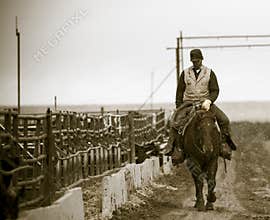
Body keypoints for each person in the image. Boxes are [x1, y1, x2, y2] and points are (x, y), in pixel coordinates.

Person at [164, 48, 236, 161]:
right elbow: (179, 92)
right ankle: (176, 149)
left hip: (205, 103)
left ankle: (223, 145)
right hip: (188, 104)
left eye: (197, 60)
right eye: (193, 61)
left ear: (201, 60)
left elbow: (215, 90)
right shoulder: (185, 73)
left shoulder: (209, 73)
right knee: (174, 122)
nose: (195, 63)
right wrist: (179, 108)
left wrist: (209, 100)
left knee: (224, 120)